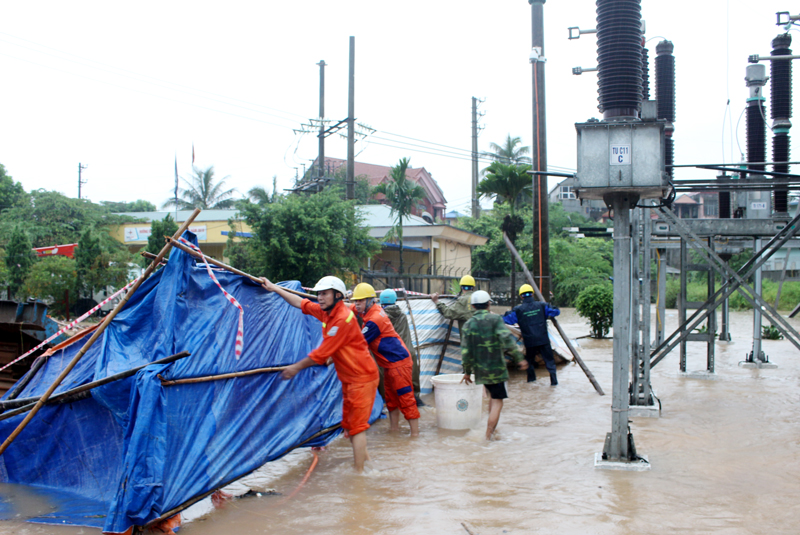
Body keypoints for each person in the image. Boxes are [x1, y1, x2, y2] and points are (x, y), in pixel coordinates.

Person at [260, 275, 380, 472]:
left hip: (363, 378)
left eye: (324, 294)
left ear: (338, 295)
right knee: (349, 427)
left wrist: (295, 368)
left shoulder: (342, 319)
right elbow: (301, 303)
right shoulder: (328, 312)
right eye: (319, 294)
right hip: (350, 379)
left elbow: (320, 355)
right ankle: (367, 466)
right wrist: (275, 288)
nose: (320, 298)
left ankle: (360, 480)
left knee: (357, 428)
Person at [351, 283, 420, 437]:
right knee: (390, 400)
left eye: (360, 301)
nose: (357, 304)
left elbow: (358, 343)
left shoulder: (374, 319)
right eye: (356, 301)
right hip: (389, 364)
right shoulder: (372, 309)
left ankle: (415, 436)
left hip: (398, 363)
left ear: (370, 301)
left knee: (406, 399)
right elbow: (350, 308)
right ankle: (394, 431)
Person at [461, 290, 528, 440]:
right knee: (498, 402)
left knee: (492, 397)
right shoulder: (495, 319)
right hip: (496, 369)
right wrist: (519, 358)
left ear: (472, 306)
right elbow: (507, 340)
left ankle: (492, 430)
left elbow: (466, 351)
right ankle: (488, 436)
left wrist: (467, 371)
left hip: (480, 371)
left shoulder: (468, 324)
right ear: (489, 303)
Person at [503, 284, 560, 386]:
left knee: (529, 363)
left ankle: (531, 382)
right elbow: (556, 311)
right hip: (543, 340)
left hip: (530, 342)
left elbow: (507, 320)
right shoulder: (542, 306)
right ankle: (554, 383)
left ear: (521, 296)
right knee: (549, 362)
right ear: (532, 294)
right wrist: (550, 306)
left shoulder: (518, 310)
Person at [379, 289, 423, 405]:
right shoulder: (402, 314)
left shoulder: (380, 317)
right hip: (409, 354)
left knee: (391, 396)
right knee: (411, 395)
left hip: (392, 358)